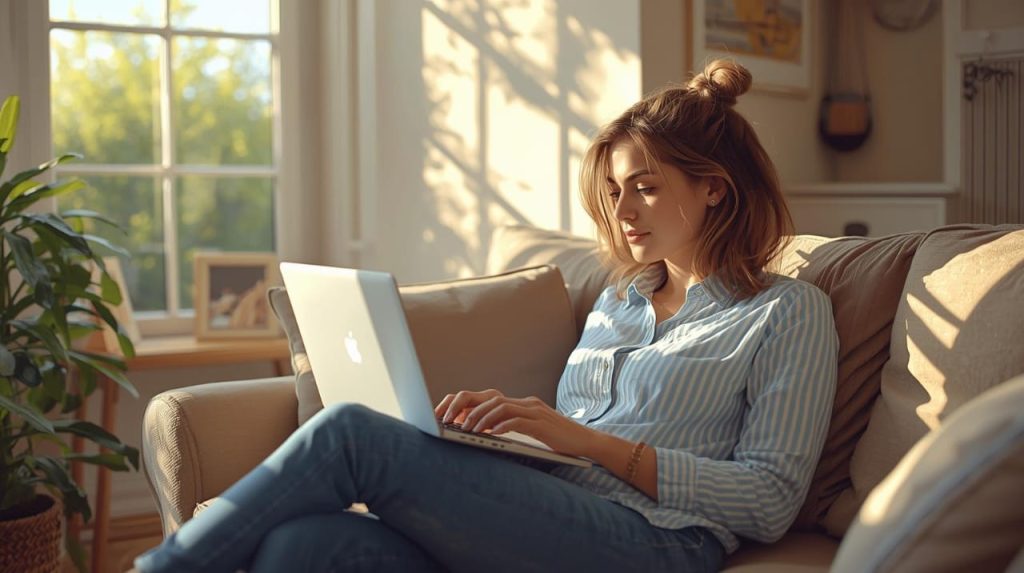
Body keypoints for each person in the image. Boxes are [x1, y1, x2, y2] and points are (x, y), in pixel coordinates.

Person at [135, 59, 838, 573]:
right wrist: (504, 440)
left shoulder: (785, 313)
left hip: (657, 539)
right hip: (541, 510)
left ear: (714, 190)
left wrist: (587, 442)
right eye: (615, 190)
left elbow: (770, 498)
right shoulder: (617, 302)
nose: (621, 213)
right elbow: (568, 447)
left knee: (353, 434)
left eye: (646, 189)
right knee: (306, 544)